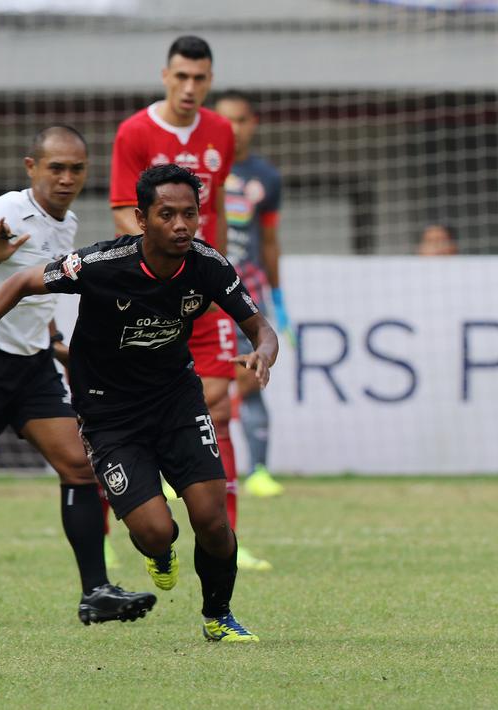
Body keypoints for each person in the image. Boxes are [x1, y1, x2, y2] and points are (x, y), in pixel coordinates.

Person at [0, 164, 279, 642]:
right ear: (141, 218)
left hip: (176, 401)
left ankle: (218, 616)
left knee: (212, 520)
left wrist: (263, 354)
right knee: (155, 532)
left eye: (189, 214)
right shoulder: (102, 263)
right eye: (167, 215)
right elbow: (22, 282)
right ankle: (158, 551)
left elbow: (260, 328)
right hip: (109, 414)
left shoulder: (209, 265)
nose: (181, 226)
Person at [0, 126, 155, 625]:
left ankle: (96, 593)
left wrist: (58, 347)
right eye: (55, 168)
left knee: (81, 467)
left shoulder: (66, 223)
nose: (66, 178)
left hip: (33, 367)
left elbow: (36, 294)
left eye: (76, 169)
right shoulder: (7, 209)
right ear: (31, 168)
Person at [110, 35, 270, 571]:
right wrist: (155, 280)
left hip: (202, 290)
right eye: (181, 77)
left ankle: (226, 536)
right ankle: (145, 529)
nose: (189, 88)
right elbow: (120, 214)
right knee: (129, 412)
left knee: (221, 408)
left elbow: (217, 207)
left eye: (200, 79)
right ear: (165, 75)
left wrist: (213, 274)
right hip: (149, 295)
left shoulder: (220, 131)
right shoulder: (134, 132)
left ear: (210, 80)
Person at [214, 90, 288, 501]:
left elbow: (271, 239)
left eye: (241, 120)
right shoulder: (200, 168)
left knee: (252, 376)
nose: (234, 129)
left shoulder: (266, 177)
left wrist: (278, 298)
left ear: (253, 123)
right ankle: (175, 467)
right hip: (201, 295)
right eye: (225, 120)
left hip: (247, 294)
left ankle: (258, 470)